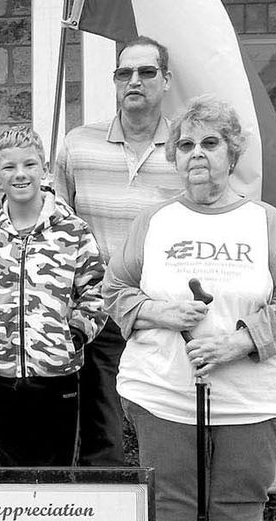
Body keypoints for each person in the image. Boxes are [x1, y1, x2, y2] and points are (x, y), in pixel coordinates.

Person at [103, 95, 276, 521]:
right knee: (172, 502)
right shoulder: (155, 221)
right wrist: (162, 313)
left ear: (232, 152)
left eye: (210, 144)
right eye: (188, 145)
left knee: (238, 502)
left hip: (250, 393)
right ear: (175, 156)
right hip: (163, 389)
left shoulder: (263, 220)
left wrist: (237, 341)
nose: (198, 155)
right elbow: (113, 290)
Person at [56, 36, 184, 466]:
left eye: (146, 72)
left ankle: (162, 517)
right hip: (101, 309)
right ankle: (109, 518)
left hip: (164, 311)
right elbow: (58, 225)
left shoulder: (188, 150)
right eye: (123, 73)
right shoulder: (78, 144)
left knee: (164, 427)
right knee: (102, 433)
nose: (134, 81)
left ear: (165, 80)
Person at [0, 127, 106, 467]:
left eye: (29, 165)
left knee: (58, 474)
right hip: (3, 376)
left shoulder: (72, 230)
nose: (20, 174)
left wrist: (74, 335)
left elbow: (96, 291)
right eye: (9, 167)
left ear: (43, 169)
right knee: (12, 470)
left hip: (58, 374)